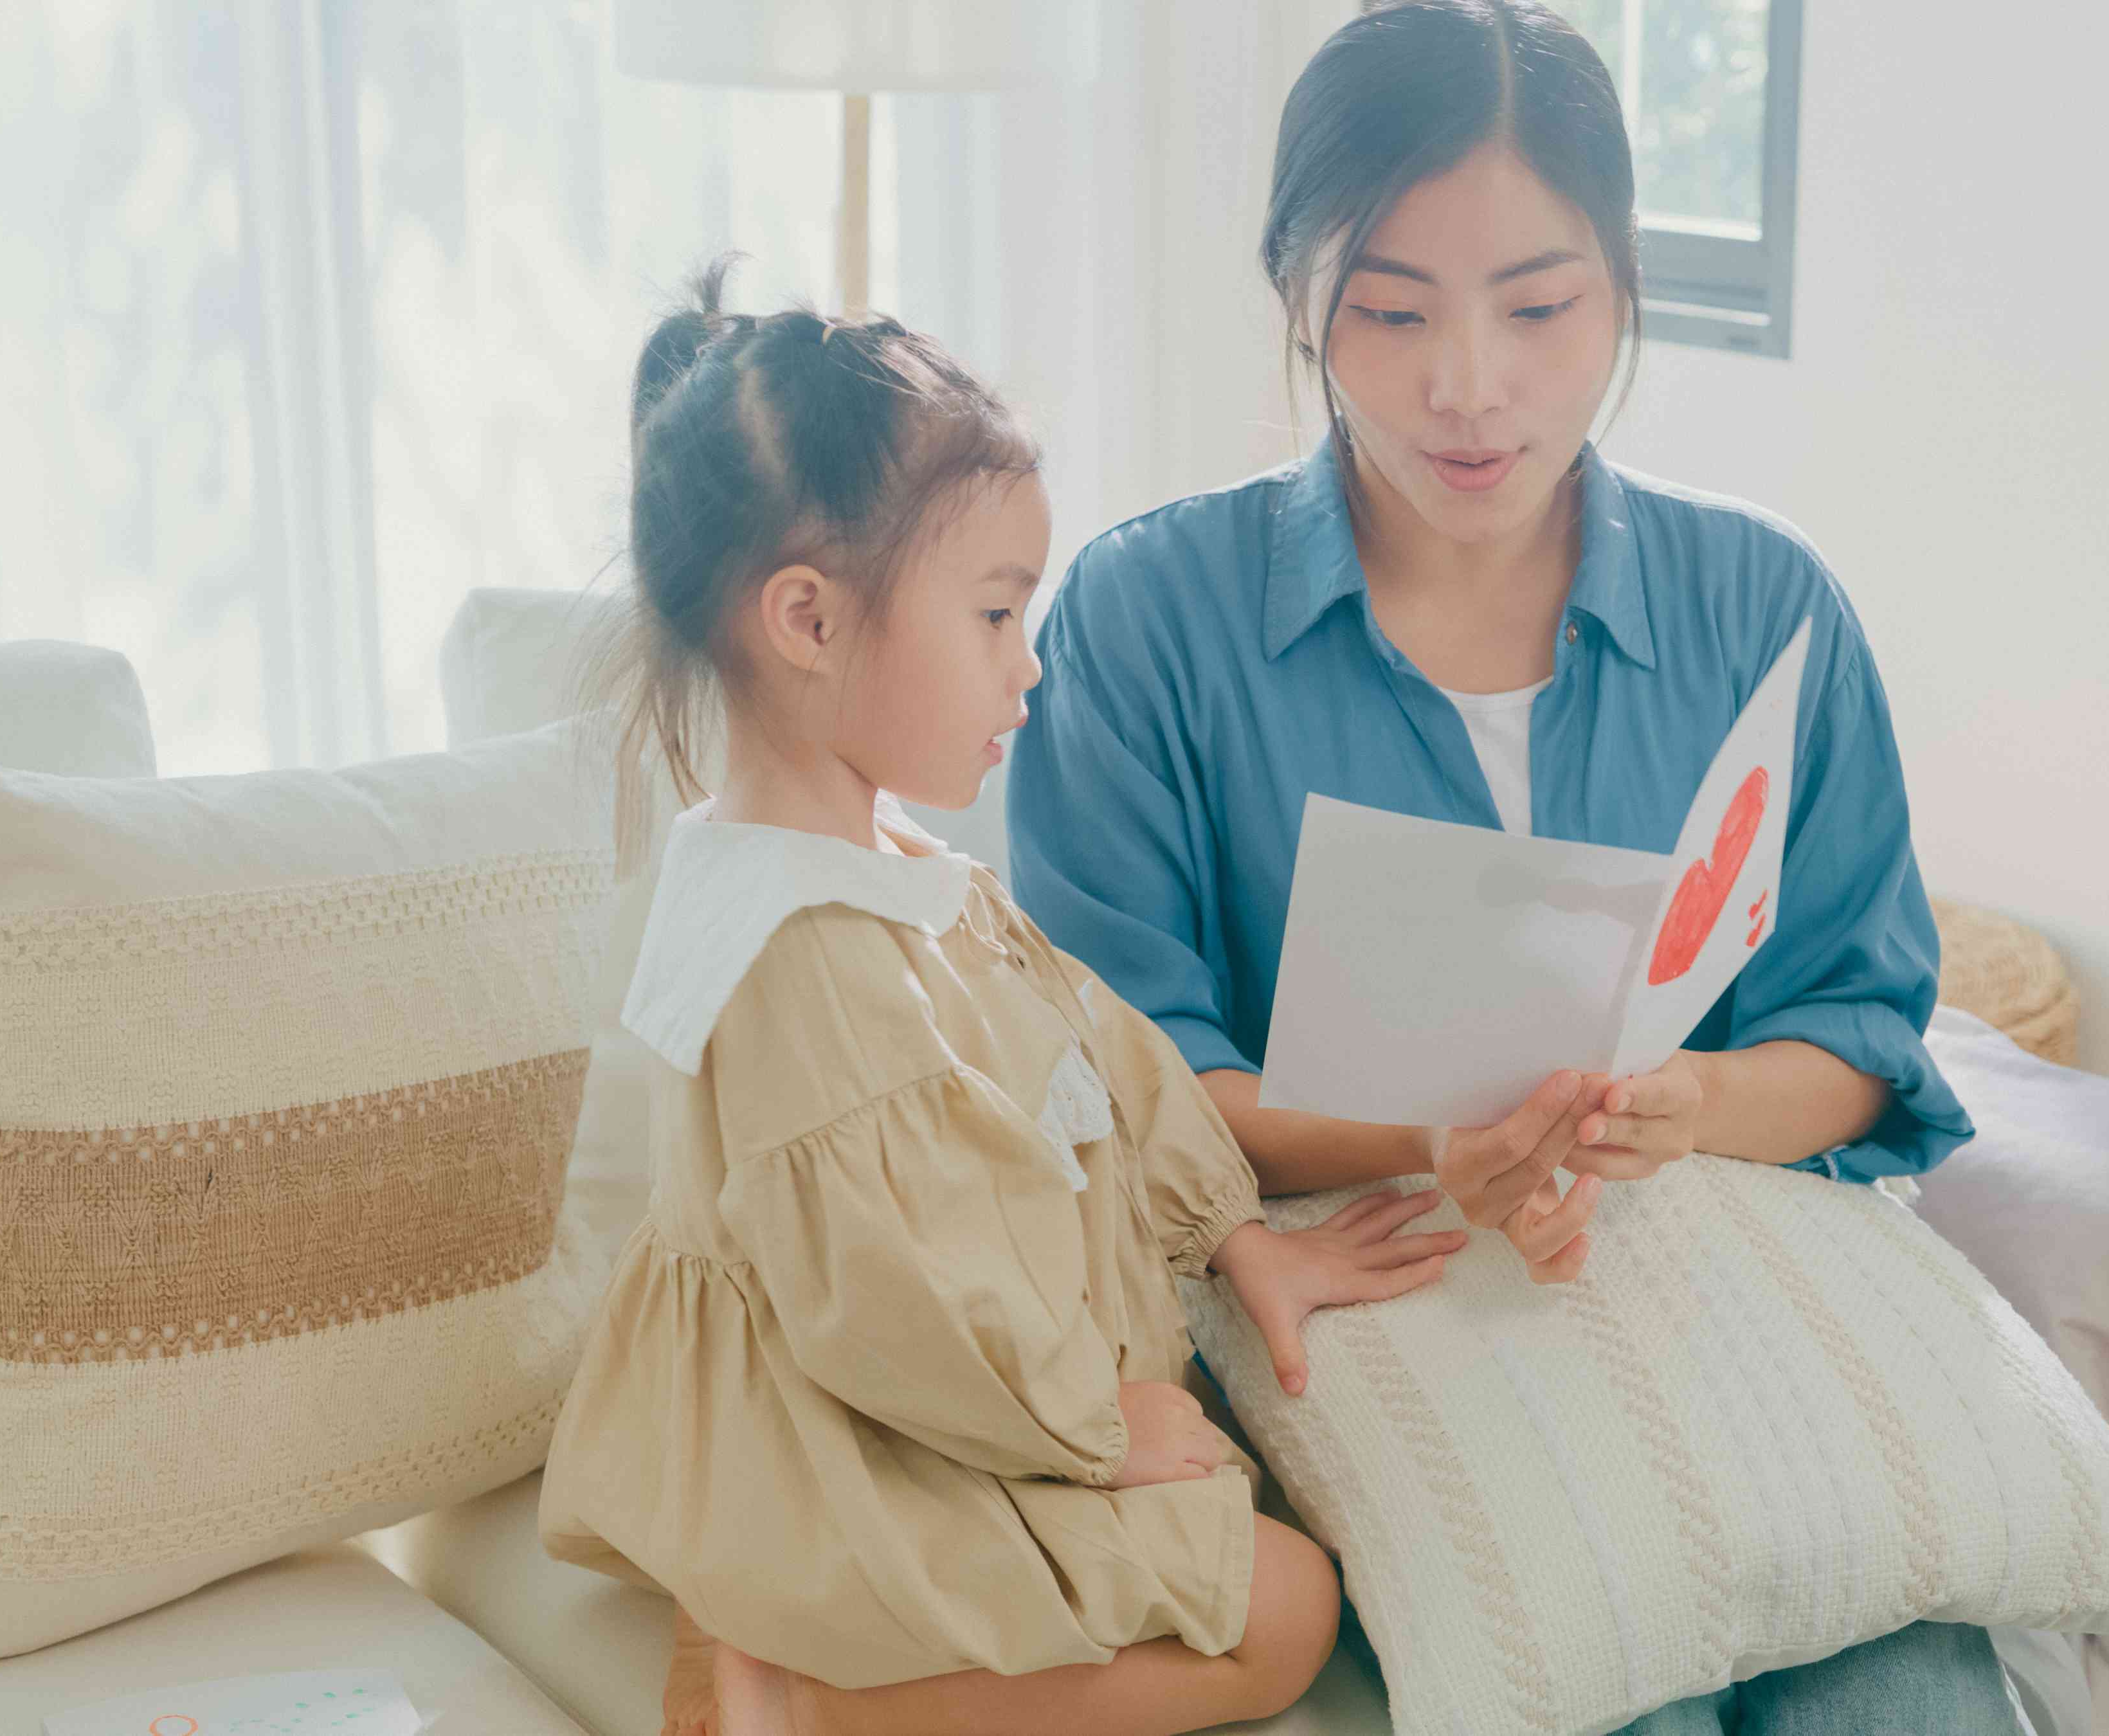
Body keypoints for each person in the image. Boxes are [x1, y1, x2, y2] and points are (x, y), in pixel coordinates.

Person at [1007, 5, 2017, 1730]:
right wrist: (1438, 1148)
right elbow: (1133, 1074)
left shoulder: (1766, 611)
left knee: (1915, 1687)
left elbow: (1862, 1038)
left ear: (1623, 286)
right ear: (1300, 302)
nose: (1469, 384)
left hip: (1716, 1307)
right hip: (1394, 1341)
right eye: (1393, 313)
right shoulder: (1146, 621)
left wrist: (1689, 1105)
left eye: (1540, 307)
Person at [536, 262, 1467, 1736]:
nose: (1029, 670)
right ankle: (797, 1701)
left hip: (939, 1397)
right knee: (1289, 1614)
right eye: (992, 617)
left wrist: (1235, 1240)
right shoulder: (805, 957)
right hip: (861, 1440)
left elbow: (1099, 1055)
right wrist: (1101, 1433)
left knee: (1269, 1531)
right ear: (810, 621)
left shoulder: (889, 860)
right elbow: (909, 1311)